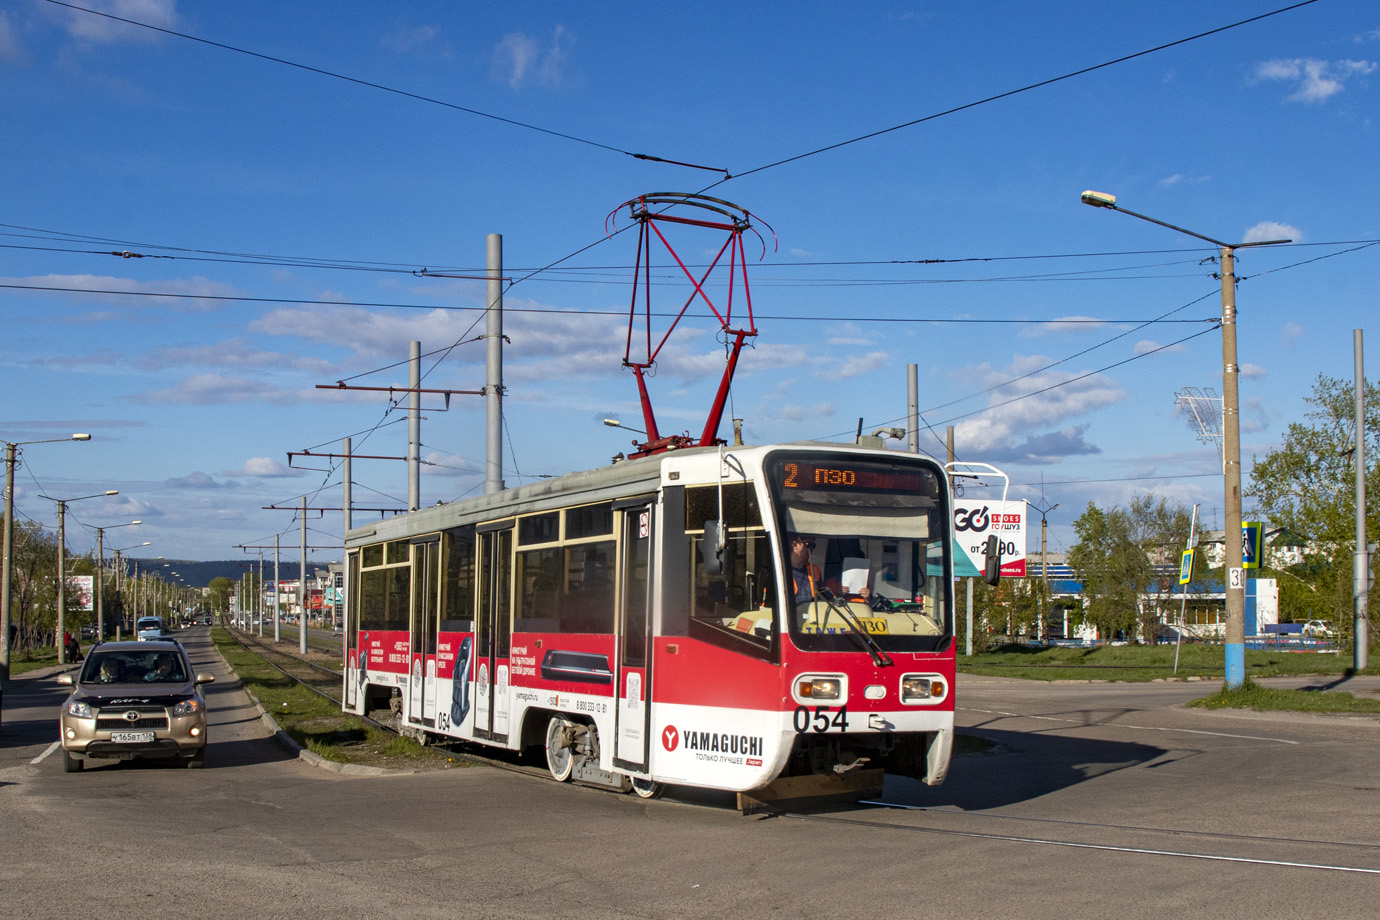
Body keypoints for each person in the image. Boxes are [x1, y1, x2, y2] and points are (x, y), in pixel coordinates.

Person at [789, 536, 821, 604]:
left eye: (813, 546)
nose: (810, 550)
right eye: (808, 545)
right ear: (795, 545)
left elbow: (822, 596)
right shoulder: (779, 569)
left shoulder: (815, 570)